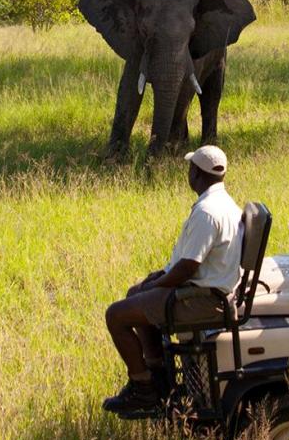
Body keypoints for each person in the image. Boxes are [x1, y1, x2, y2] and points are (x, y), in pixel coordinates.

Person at [102, 144, 243, 416]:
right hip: (208, 291)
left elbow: (188, 267)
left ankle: (143, 388)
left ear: (197, 174)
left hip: (200, 300)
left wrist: (157, 285)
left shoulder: (207, 213)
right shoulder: (225, 203)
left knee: (116, 316)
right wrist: (157, 279)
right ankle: (158, 376)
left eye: (190, 168)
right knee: (135, 294)